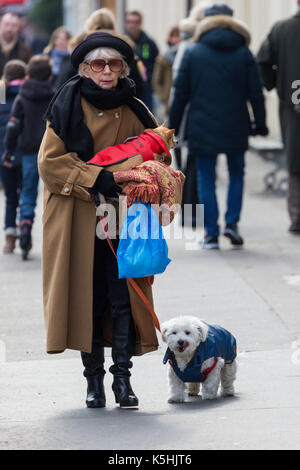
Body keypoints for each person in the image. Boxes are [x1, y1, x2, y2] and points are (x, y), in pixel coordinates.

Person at [38, 32, 162, 409]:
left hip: (124, 216)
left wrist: (138, 175)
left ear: (123, 68)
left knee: (123, 296)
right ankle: (93, 381)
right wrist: (97, 178)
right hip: (75, 217)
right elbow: (49, 163)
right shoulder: (66, 105)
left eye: (113, 64)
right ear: (83, 68)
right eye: (97, 64)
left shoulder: (137, 107)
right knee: (86, 298)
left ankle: (122, 381)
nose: (106, 70)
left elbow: (160, 152)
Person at [169, 3, 268, 249]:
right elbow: (256, 92)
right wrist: (260, 123)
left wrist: (172, 126)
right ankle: (232, 224)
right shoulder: (243, 52)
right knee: (237, 174)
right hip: (236, 123)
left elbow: (181, 94)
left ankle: (211, 234)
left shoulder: (193, 52)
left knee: (205, 177)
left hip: (201, 125)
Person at [5, 55, 54, 259]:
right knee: (53, 192)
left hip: (27, 151)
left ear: (29, 74)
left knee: (28, 191)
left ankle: (25, 224)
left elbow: (13, 125)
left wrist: (9, 149)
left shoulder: (22, 96)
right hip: (51, 151)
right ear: (49, 75)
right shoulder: (54, 95)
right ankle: (54, 234)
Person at [257, 3, 300, 235]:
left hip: (292, 104)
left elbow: (263, 61)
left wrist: (276, 84)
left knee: (295, 160)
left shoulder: (282, 29)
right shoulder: (282, 29)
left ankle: (296, 216)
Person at [0, 59, 26, 253]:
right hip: (25, 153)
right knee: (25, 193)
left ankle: (10, 236)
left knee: (10, 197)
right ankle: (25, 228)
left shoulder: (1, 92)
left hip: (5, 153)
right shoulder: (27, 93)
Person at [125, 10, 159, 111]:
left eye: (135, 22)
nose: (132, 25)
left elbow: (155, 64)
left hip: (145, 89)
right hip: (127, 88)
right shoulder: (121, 41)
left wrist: (150, 81)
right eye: (129, 22)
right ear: (125, 23)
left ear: (140, 24)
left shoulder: (148, 43)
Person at [152, 26, 181, 116]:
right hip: (166, 102)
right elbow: (156, 81)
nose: (175, 39)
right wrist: (164, 97)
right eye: (173, 36)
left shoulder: (186, 56)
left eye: (178, 36)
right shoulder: (163, 58)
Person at [0, 12, 31, 76]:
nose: (9, 29)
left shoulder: (25, 51)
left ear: (18, 28)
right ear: (0, 25)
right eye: (6, 24)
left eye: (13, 25)